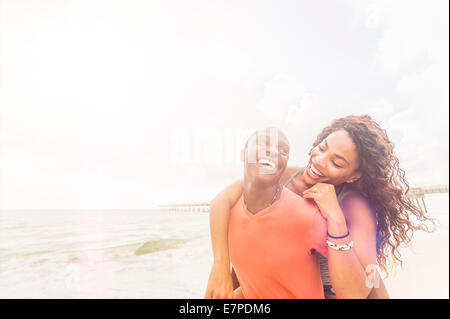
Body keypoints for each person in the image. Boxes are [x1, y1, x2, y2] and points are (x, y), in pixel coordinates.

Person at [205, 115, 435, 299]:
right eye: (322, 147)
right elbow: (223, 202)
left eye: (336, 163)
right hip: (279, 282)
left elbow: (365, 284)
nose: (319, 161)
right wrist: (220, 268)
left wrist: (335, 217)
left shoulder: (353, 205)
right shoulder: (283, 175)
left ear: (354, 175)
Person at [228, 127, 328, 298]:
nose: (273, 151)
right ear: (243, 153)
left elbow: (355, 281)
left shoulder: (309, 217)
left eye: (283, 150)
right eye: (262, 143)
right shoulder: (229, 210)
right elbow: (243, 269)